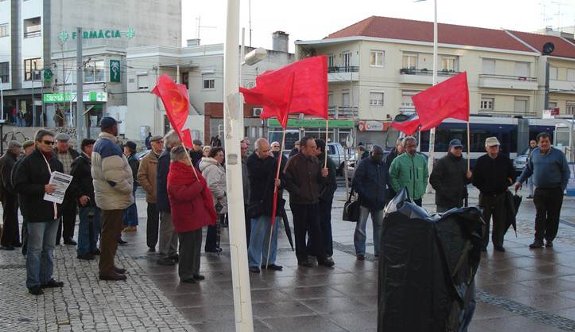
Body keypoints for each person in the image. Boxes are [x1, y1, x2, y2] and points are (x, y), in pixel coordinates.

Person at [13, 129, 64, 295]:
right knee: (35, 249)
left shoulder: (55, 162)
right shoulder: (27, 162)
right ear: (37, 143)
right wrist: (42, 188)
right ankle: (33, 282)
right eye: (47, 142)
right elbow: (18, 185)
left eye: (52, 142)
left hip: (54, 211)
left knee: (49, 248)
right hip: (36, 213)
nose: (51, 145)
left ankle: (46, 277)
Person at [92, 117, 133, 281]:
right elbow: (114, 178)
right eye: (117, 125)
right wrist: (128, 188)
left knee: (110, 234)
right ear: (112, 127)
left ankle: (109, 264)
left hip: (108, 197)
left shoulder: (101, 143)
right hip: (113, 198)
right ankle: (106, 269)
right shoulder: (109, 146)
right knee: (110, 234)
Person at [167, 146, 217, 283]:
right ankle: (185, 274)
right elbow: (182, 195)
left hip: (195, 213)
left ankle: (194, 270)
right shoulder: (175, 174)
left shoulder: (190, 170)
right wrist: (199, 185)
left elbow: (199, 183)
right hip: (185, 215)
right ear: (181, 159)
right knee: (187, 247)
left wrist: (199, 184)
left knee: (196, 244)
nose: (190, 158)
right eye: (188, 157)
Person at [283, 136, 334, 268]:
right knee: (300, 231)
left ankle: (321, 256)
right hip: (299, 202)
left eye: (314, 147)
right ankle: (302, 258)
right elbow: (286, 180)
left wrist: (323, 176)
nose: (314, 149)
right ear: (303, 148)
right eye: (311, 147)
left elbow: (319, 181)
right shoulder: (293, 161)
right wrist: (298, 191)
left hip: (313, 201)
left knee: (316, 230)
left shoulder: (315, 161)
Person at [515, 132, 570, 249]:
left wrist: (562, 188)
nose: (544, 144)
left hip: (555, 190)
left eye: (546, 141)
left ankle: (549, 238)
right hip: (540, 191)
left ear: (550, 142)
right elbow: (528, 169)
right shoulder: (534, 153)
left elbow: (566, 172)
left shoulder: (558, 155)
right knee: (540, 215)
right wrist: (519, 181)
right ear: (538, 143)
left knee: (553, 216)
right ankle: (538, 240)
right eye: (542, 142)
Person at [247, 138, 285, 273]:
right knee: (257, 234)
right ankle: (254, 261)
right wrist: (272, 159)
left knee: (272, 234)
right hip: (259, 202)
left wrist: (280, 182)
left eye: (269, 150)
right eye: (265, 151)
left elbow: (281, 175)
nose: (268, 153)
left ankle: (269, 260)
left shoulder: (273, 161)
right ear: (257, 150)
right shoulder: (252, 160)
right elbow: (261, 172)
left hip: (272, 201)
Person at [472, 137, 515, 252]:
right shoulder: (481, 161)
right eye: (492, 146)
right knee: (483, 221)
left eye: (496, 146)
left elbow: (512, 175)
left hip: (501, 196)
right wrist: (484, 188)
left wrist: (505, 184)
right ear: (486, 148)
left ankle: (498, 243)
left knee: (499, 221)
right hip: (485, 196)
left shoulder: (505, 160)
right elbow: (475, 180)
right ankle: (483, 244)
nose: (494, 148)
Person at [352, 145, 389, 260]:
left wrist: (385, 196)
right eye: (377, 154)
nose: (379, 156)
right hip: (365, 202)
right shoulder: (364, 164)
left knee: (379, 227)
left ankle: (378, 251)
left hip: (379, 202)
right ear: (371, 153)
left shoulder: (383, 165)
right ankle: (360, 252)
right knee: (361, 227)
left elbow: (387, 181)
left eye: (381, 154)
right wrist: (365, 195)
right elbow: (356, 182)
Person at [70, 139, 101, 260]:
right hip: (85, 198)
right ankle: (83, 250)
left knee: (94, 225)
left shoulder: (93, 161)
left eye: (94, 146)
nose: (92, 148)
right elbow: (73, 181)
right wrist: (80, 195)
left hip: (95, 198)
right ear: (84, 148)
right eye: (89, 146)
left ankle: (92, 247)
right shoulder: (79, 162)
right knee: (85, 225)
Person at [156, 130, 180, 265]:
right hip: (167, 199)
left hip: (173, 199)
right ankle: (164, 254)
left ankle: (172, 251)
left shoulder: (170, 155)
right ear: (172, 143)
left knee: (175, 227)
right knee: (167, 228)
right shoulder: (166, 157)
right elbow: (167, 179)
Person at [429, 139, 472, 212]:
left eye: (460, 148)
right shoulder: (442, 162)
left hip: (458, 202)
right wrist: (445, 192)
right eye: (456, 148)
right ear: (450, 149)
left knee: (456, 222)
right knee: (444, 222)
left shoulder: (464, 162)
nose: (458, 150)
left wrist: (469, 177)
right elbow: (433, 180)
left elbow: (466, 181)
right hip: (444, 203)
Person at [137, 135, 163, 252]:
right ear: (152, 144)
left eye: (162, 142)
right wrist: (150, 189)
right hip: (153, 196)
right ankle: (151, 243)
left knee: (166, 222)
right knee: (153, 221)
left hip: (166, 196)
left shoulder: (166, 157)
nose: (161, 144)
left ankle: (164, 244)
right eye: (158, 142)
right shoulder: (147, 159)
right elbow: (141, 176)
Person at [53, 132, 80, 245]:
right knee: (57, 214)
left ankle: (68, 236)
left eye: (65, 142)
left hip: (71, 188)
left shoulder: (74, 154)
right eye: (61, 142)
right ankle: (56, 237)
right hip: (57, 187)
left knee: (70, 214)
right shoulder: (52, 154)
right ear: (57, 143)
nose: (64, 144)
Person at [199, 147, 227, 253]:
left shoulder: (215, 166)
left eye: (222, 155)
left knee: (214, 223)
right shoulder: (213, 168)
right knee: (213, 224)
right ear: (213, 156)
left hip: (213, 199)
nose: (221, 157)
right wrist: (222, 194)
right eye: (219, 155)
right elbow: (212, 184)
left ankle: (212, 245)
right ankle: (211, 246)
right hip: (214, 199)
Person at [315, 139, 337, 262]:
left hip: (323, 200)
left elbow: (331, 184)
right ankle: (314, 249)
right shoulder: (317, 160)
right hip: (316, 199)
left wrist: (322, 197)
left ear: (319, 149)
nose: (313, 150)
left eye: (314, 148)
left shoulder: (326, 162)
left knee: (324, 224)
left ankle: (327, 250)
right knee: (316, 225)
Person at [389, 136, 428, 206]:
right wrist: (399, 191)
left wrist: (422, 190)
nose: (413, 148)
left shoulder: (421, 159)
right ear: (404, 147)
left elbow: (425, 176)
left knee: (418, 217)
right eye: (409, 146)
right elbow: (392, 176)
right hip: (404, 198)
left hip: (418, 198)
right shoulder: (398, 160)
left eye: (414, 146)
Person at [13, 140, 35, 255]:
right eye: (32, 149)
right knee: (27, 225)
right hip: (26, 200)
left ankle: (27, 247)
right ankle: (26, 248)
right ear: (25, 150)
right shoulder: (21, 163)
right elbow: (16, 183)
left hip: (33, 201)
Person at [0, 141, 23, 250]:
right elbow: (7, 181)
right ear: (13, 148)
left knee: (13, 217)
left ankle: (14, 240)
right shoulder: (7, 160)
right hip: (8, 193)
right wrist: (14, 192)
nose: (20, 151)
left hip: (11, 193)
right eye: (19, 148)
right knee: (9, 217)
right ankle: (5, 242)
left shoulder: (11, 159)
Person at [122, 141, 139, 232]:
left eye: (125, 147)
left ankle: (132, 224)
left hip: (131, 184)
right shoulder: (130, 157)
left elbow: (131, 173)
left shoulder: (132, 159)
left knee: (131, 204)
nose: (124, 149)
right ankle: (127, 223)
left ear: (129, 149)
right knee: (128, 203)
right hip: (130, 183)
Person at [241, 139, 251, 243]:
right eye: (242, 148)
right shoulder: (232, 163)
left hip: (248, 198)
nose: (244, 150)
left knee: (248, 225)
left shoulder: (249, 161)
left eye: (245, 148)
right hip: (239, 199)